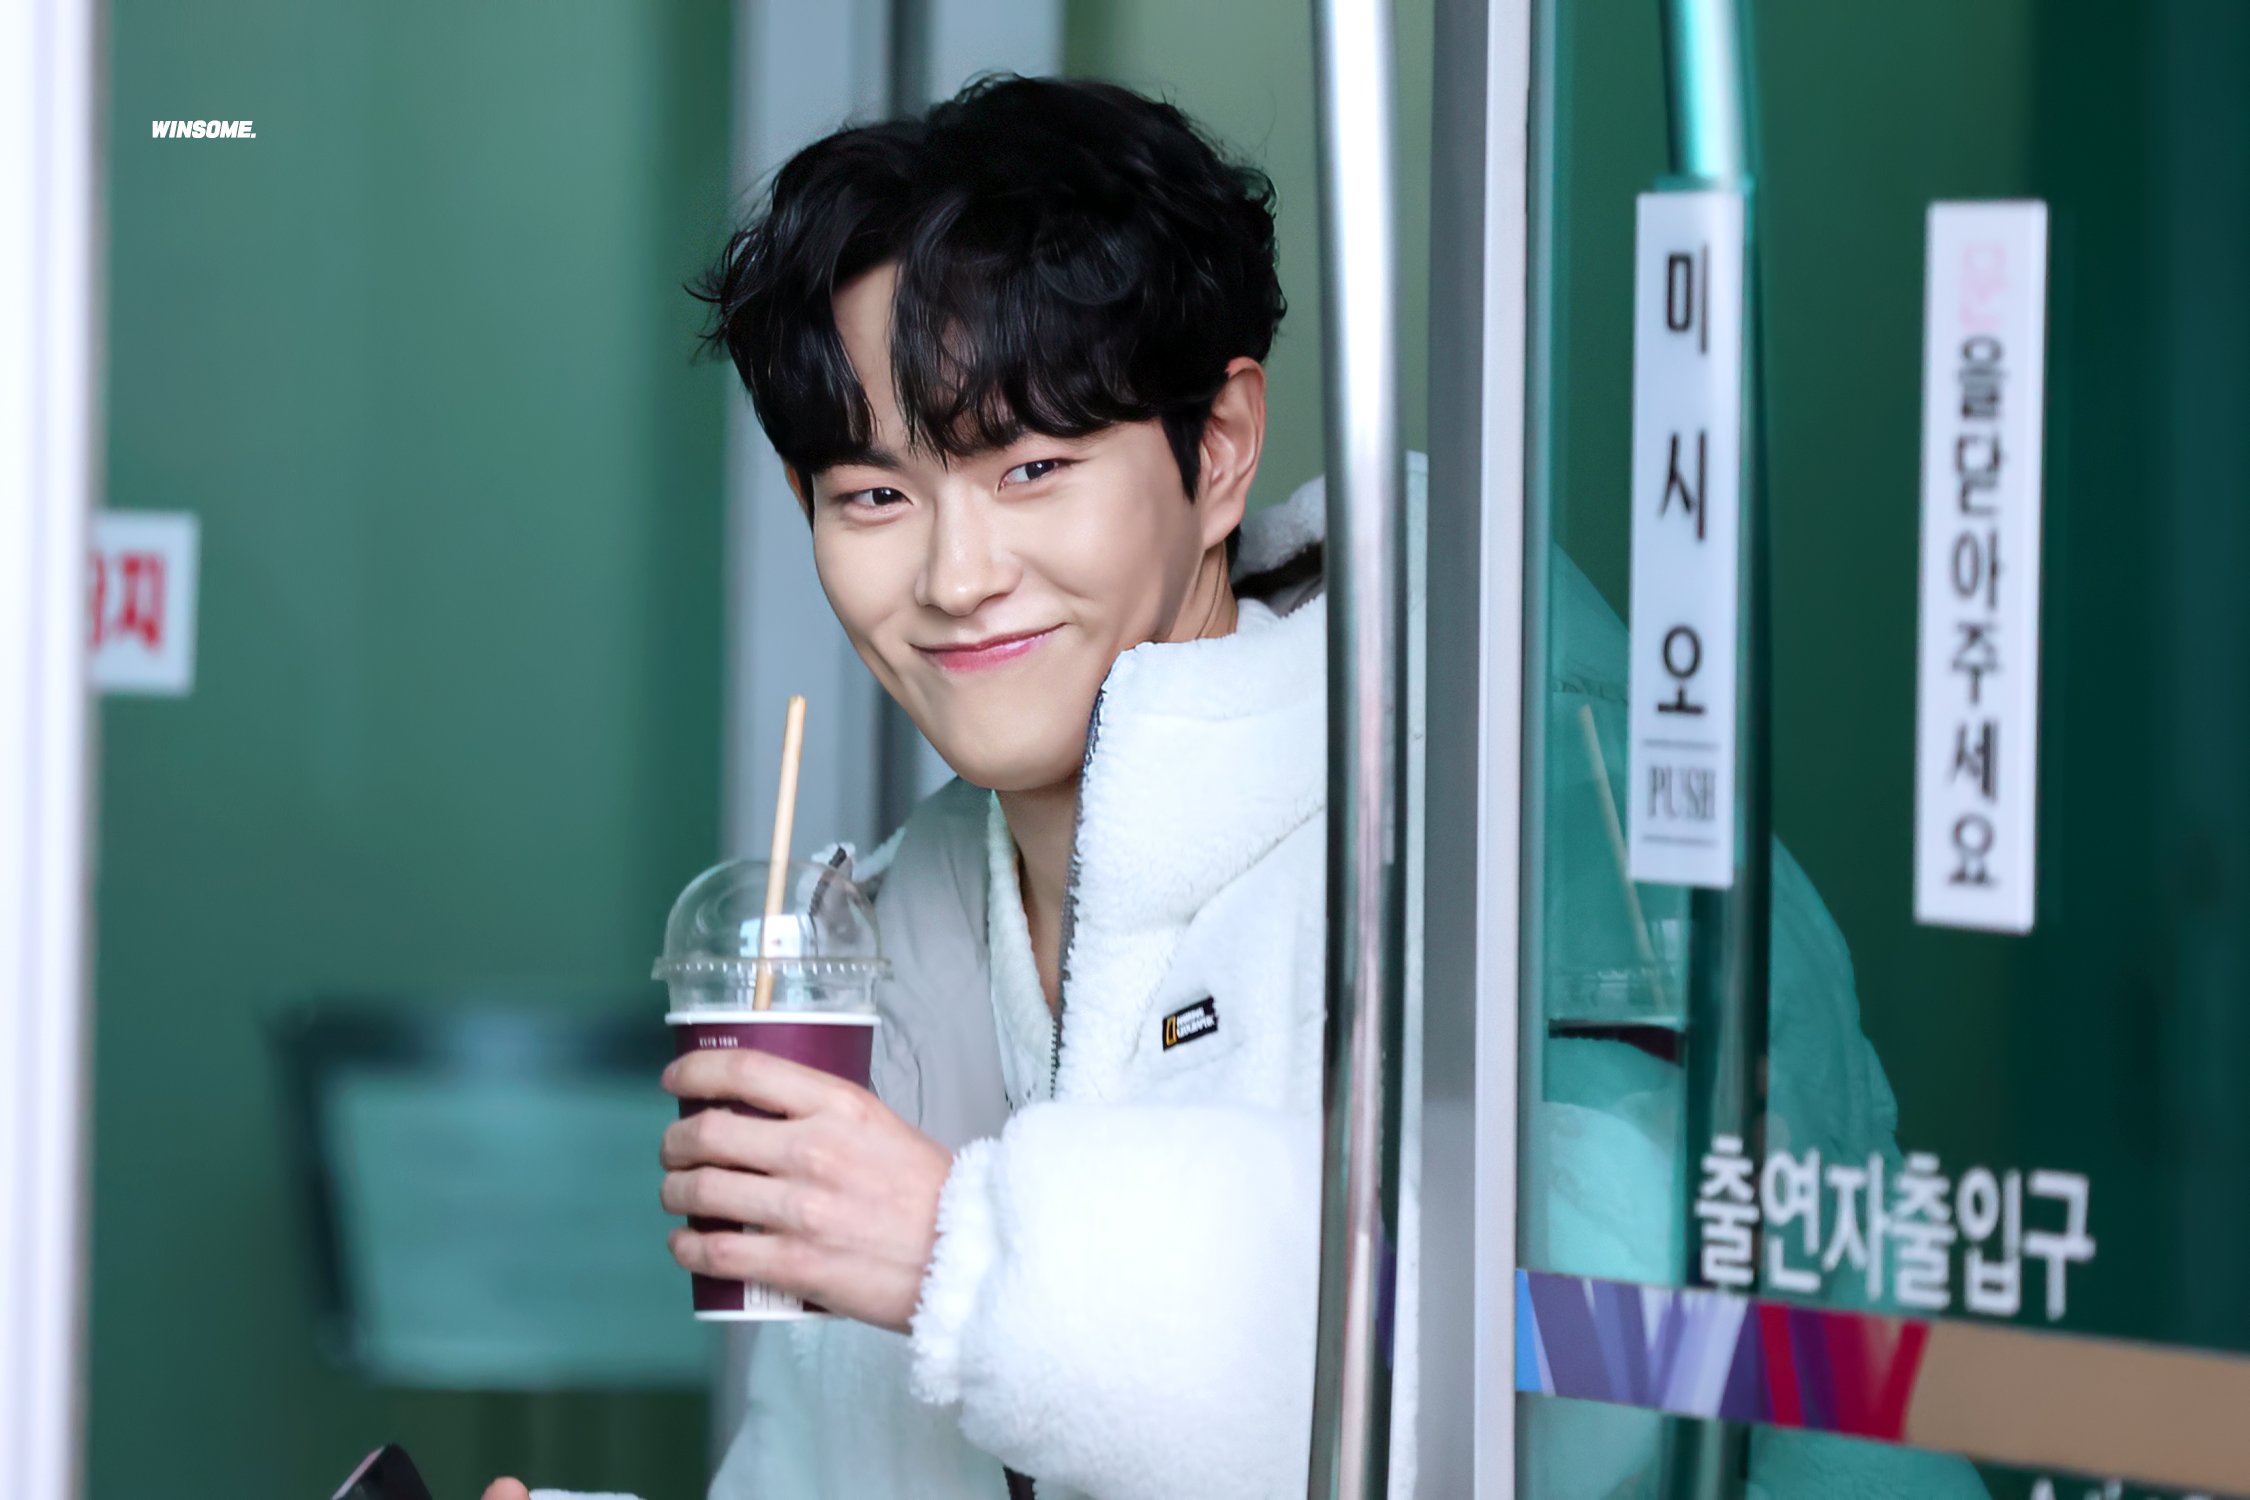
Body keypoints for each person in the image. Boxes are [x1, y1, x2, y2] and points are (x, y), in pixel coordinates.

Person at [485, 72, 1987, 1500]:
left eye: (1030, 470)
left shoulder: (1526, 811)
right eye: (874, 494)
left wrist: (961, 1252)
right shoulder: (898, 929)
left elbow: (1610, 1362)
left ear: (1216, 449)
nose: (953, 575)